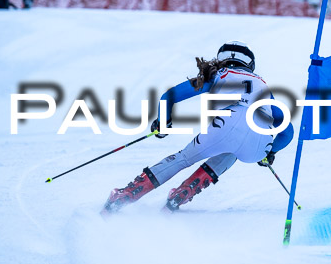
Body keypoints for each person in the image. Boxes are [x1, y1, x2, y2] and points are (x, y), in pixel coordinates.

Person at [102, 41, 295, 214]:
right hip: (259, 139)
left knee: (184, 158)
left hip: (228, 121)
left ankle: (128, 194)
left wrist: (163, 124)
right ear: (251, 65)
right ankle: (185, 191)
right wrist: (269, 152)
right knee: (231, 151)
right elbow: (287, 132)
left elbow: (169, 96)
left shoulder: (219, 74)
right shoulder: (263, 87)